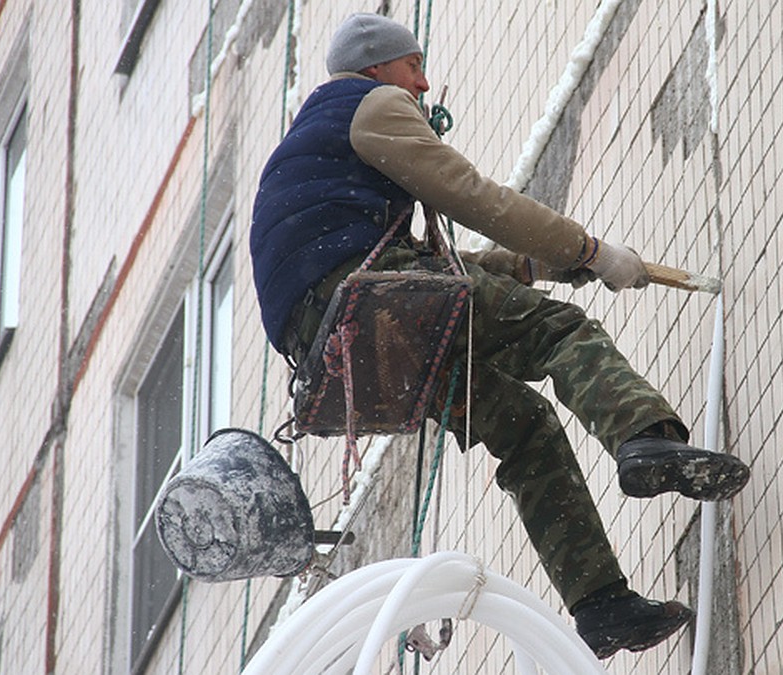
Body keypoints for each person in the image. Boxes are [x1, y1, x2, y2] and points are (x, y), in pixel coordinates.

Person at [250, 13, 750, 659]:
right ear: (378, 67)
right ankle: (646, 442)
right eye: (413, 67)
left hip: (339, 337)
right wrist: (590, 249)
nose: (423, 84)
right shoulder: (370, 104)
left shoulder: (320, 152)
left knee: (522, 422)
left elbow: (429, 262)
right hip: (358, 296)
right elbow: (469, 193)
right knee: (555, 330)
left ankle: (603, 604)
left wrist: (535, 265)